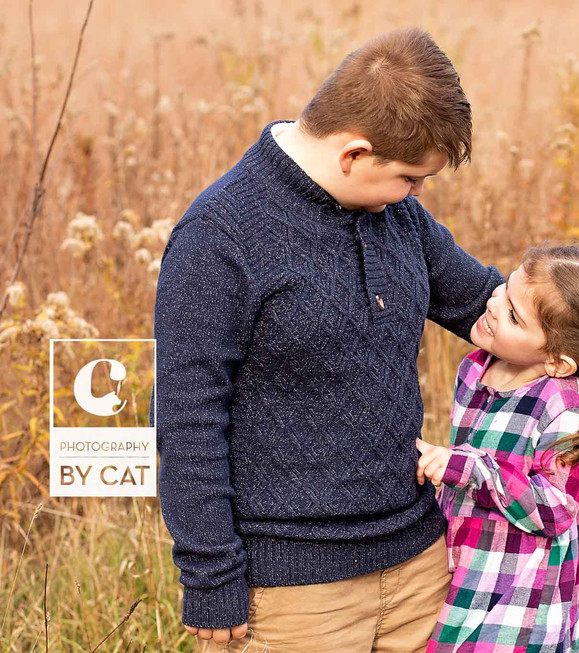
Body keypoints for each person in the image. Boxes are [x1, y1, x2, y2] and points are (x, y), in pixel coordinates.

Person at [151, 27, 506, 651]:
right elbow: (186, 419)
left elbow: (487, 305)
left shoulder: (393, 213)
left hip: (422, 567)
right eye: (409, 177)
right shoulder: (219, 238)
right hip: (292, 599)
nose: (416, 194)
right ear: (353, 154)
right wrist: (211, 577)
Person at [415, 243, 579, 653]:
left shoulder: (562, 405)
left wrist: (470, 469)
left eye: (514, 315)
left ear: (558, 363)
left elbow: (555, 507)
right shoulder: (476, 369)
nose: (493, 302)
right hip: (468, 572)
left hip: (519, 598)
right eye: (505, 287)